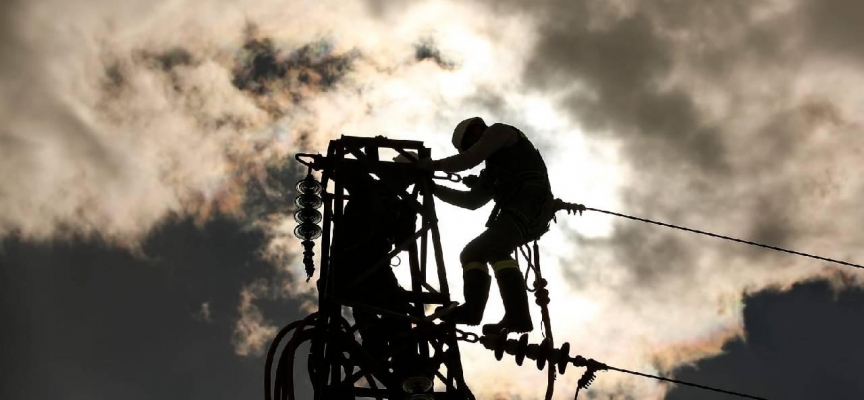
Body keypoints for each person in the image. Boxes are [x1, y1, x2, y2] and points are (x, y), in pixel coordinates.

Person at [419, 117, 555, 334]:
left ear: (477, 129)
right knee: (471, 254)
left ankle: (517, 316)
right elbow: (471, 201)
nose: (475, 145)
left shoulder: (501, 131)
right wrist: (433, 189)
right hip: (524, 209)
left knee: (495, 248)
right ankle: (474, 312)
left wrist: (434, 166)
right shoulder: (493, 169)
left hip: (531, 203)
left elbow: (469, 159)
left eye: (472, 141)